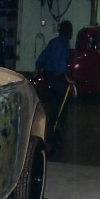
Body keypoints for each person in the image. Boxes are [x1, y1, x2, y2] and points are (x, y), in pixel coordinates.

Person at [33, 20, 75, 152]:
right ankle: (55, 137)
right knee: (61, 108)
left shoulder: (52, 42)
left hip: (49, 78)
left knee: (53, 105)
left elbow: (43, 56)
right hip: (59, 79)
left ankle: (50, 130)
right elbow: (62, 61)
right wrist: (66, 76)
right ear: (69, 33)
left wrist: (37, 67)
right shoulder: (65, 44)